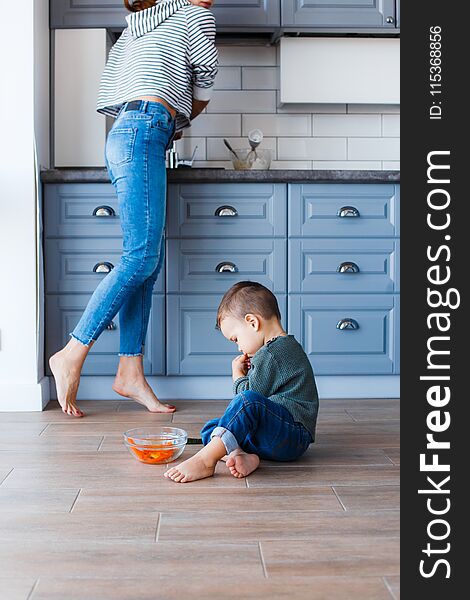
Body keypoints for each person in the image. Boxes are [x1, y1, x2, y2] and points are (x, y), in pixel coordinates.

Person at [48, 0, 218, 417]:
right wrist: (186, 113)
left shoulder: (137, 25)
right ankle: (72, 350)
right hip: (145, 130)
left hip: (127, 131)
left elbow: (126, 86)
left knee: (148, 259)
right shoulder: (195, 13)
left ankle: (130, 371)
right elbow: (206, 80)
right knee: (141, 256)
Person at [164, 281, 319, 483]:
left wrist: (238, 376)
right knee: (212, 428)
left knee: (247, 401)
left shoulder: (272, 353)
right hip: (279, 438)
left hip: (291, 436)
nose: (238, 347)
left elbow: (247, 398)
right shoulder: (280, 348)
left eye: (235, 338)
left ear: (252, 322)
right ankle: (240, 455)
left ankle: (206, 460)